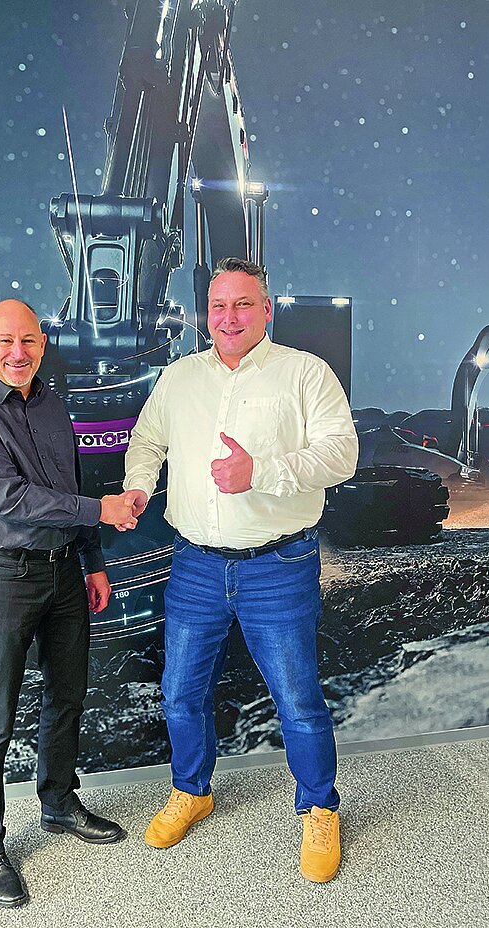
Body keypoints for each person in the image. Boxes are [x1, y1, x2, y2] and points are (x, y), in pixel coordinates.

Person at [120, 257, 359, 883]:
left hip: (278, 565)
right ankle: (191, 791)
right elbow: (147, 440)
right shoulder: (180, 378)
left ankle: (319, 808)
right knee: (181, 692)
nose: (229, 317)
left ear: (267, 310)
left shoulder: (305, 373)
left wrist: (263, 471)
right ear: (206, 314)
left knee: (298, 701)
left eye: (243, 304)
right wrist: (139, 485)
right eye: (219, 306)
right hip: (195, 565)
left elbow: (342, 455)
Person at [0, 299, 139, 908]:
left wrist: (93, 560)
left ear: (43, 344)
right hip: (4, 576)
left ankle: (57, 803)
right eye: (5, 341)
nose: (17, 352)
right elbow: (9, 499)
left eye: (28, 340)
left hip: (64, 573)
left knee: (67, 695)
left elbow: (68, 486)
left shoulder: (52, 404)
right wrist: (100, 512)